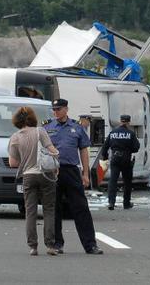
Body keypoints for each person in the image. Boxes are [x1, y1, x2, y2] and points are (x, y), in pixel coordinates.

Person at [43, 99, 104, 255]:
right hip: (53, 171)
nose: (55, 112)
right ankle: (56, 244)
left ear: (66, 109)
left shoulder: (76, 127)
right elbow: (41, 150)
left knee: (81, 208)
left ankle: (90, 245)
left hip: (71, 171)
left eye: (58, 109)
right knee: (54, 208)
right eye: (54, 109)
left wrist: (85, 174)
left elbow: (83, 150)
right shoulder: (47, 127)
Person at [8, 106, 60, 256]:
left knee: (30, 211)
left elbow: (12, 163)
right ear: (32, 118)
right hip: (45, 174)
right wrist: (56, 158)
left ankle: (33, 246)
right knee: (48, 209)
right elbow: (53, 151)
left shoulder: (15, 137)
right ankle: (50, 245)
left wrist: (25, 160)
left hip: (28, 176)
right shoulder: (40, 131)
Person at [100, 114, 140, 211]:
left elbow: (105, 147)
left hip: (115, 158)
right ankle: (126, 203)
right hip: (126, 159)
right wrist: (128, 150)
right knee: (127, 182)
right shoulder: (130, 133)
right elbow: (136, 147)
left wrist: (105, 157)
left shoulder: (113, 133)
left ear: (120, 121)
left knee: (113, 181)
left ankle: (111, 203)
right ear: (128, 122)